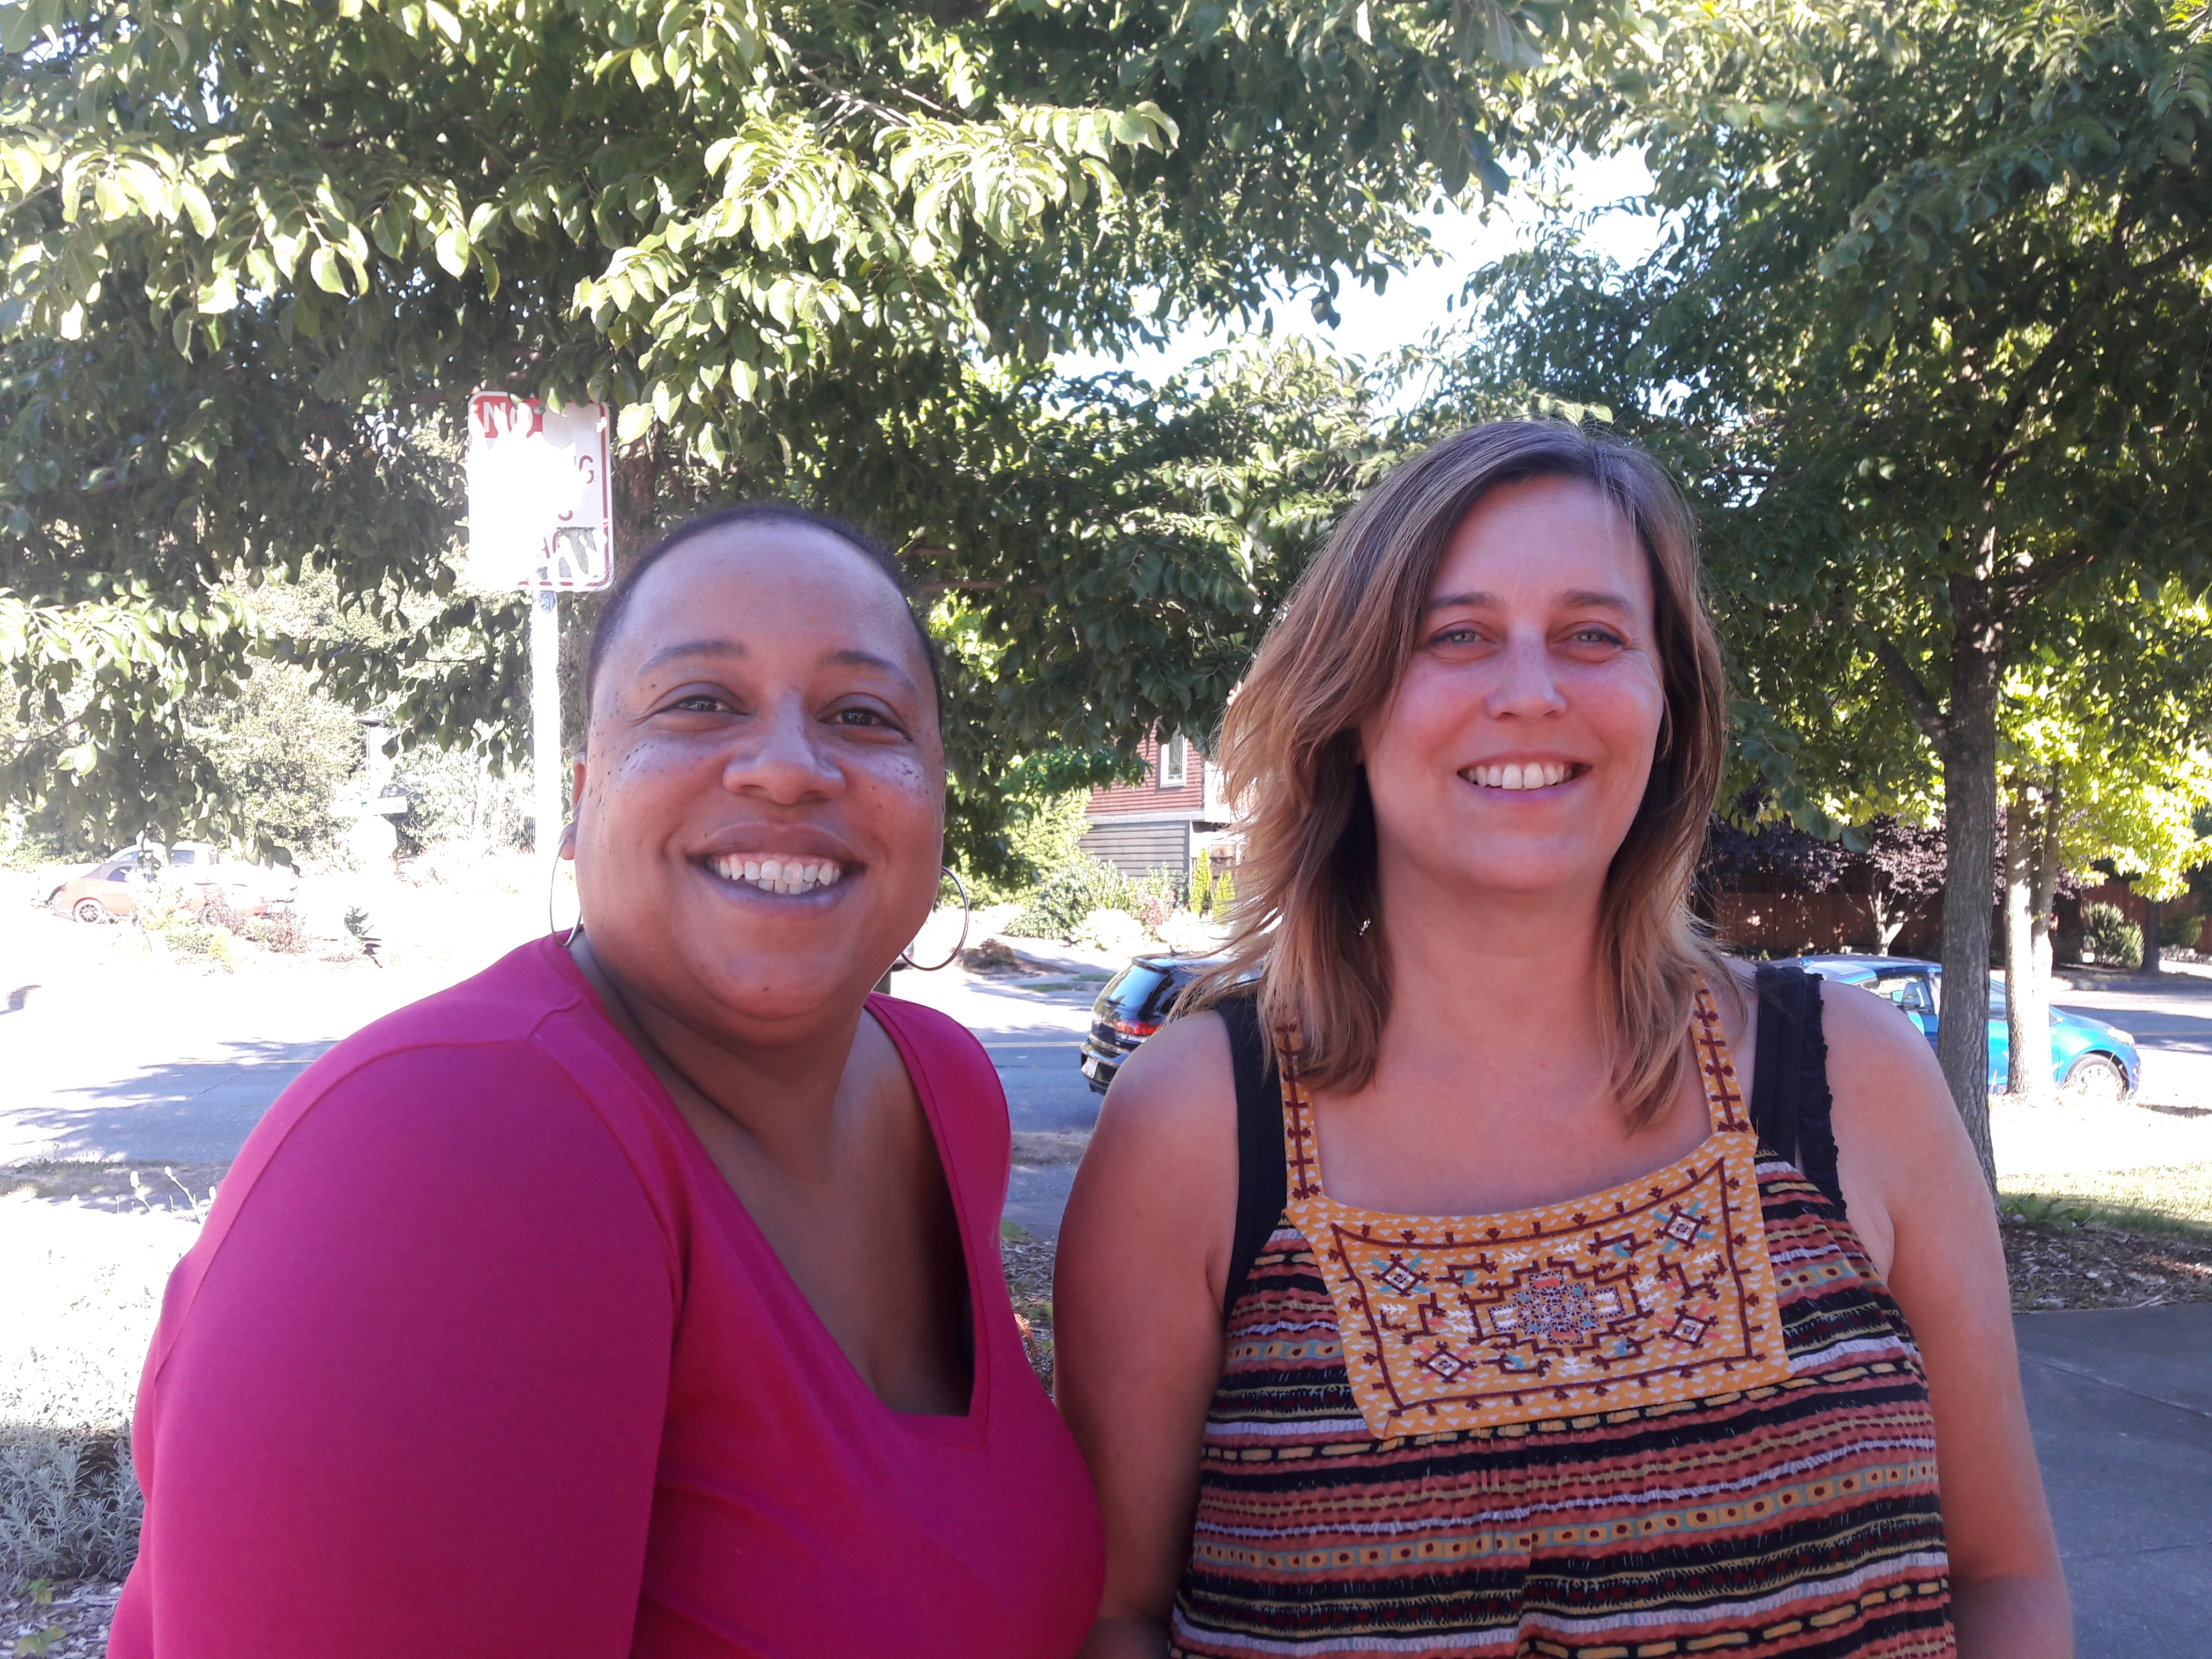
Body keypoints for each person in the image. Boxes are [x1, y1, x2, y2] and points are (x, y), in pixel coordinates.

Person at [1056, 423, 2068, 1659]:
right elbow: (1116, 1616)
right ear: (1352, 706)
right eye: (1456, 635)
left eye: (1594, 635)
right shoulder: (1199, 1126)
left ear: (1667, 702)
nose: (1530, 690)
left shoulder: (1855, 1078)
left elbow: (2005, 1576)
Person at [110, 504, 1103, 1656]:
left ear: (935, 799)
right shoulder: (453, 1147)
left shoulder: (943, 1088)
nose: (787, 763)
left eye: (863, 715)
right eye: (699, 702)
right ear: (584, 797)